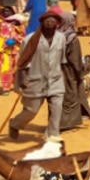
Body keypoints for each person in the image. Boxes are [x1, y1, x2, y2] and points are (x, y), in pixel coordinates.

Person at [11, 11, 67, 139]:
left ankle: (53, 136)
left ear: (56, 24)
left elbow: (62, 60)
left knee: (57, 109)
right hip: (35, 80)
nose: (50, 24)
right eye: (47, 21)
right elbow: (23, 61)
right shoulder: (30, 39)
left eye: (53, 22)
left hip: (55, 80)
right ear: (42, 23)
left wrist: (65, 79)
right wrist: (23, 78)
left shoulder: (61, 38)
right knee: (31, 110)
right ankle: (15, 124)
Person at [59, 12, 90, 131]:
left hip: (57, 70)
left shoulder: (57, 35)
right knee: (70, 97)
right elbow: (75, 59)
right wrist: (80, 71)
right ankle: (66, 124)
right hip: (69, 71)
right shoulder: (72, 39)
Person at [0, 7, 25, 95]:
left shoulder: (18, 24)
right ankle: (6, 88)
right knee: (5, 68)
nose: (6, 12)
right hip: (3, 50)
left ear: (12, 12)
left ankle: (16, 85)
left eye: (8, 11)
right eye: (4, 11)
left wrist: (15, 35)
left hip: (15, 49)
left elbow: (23, 35)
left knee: (16, 67)